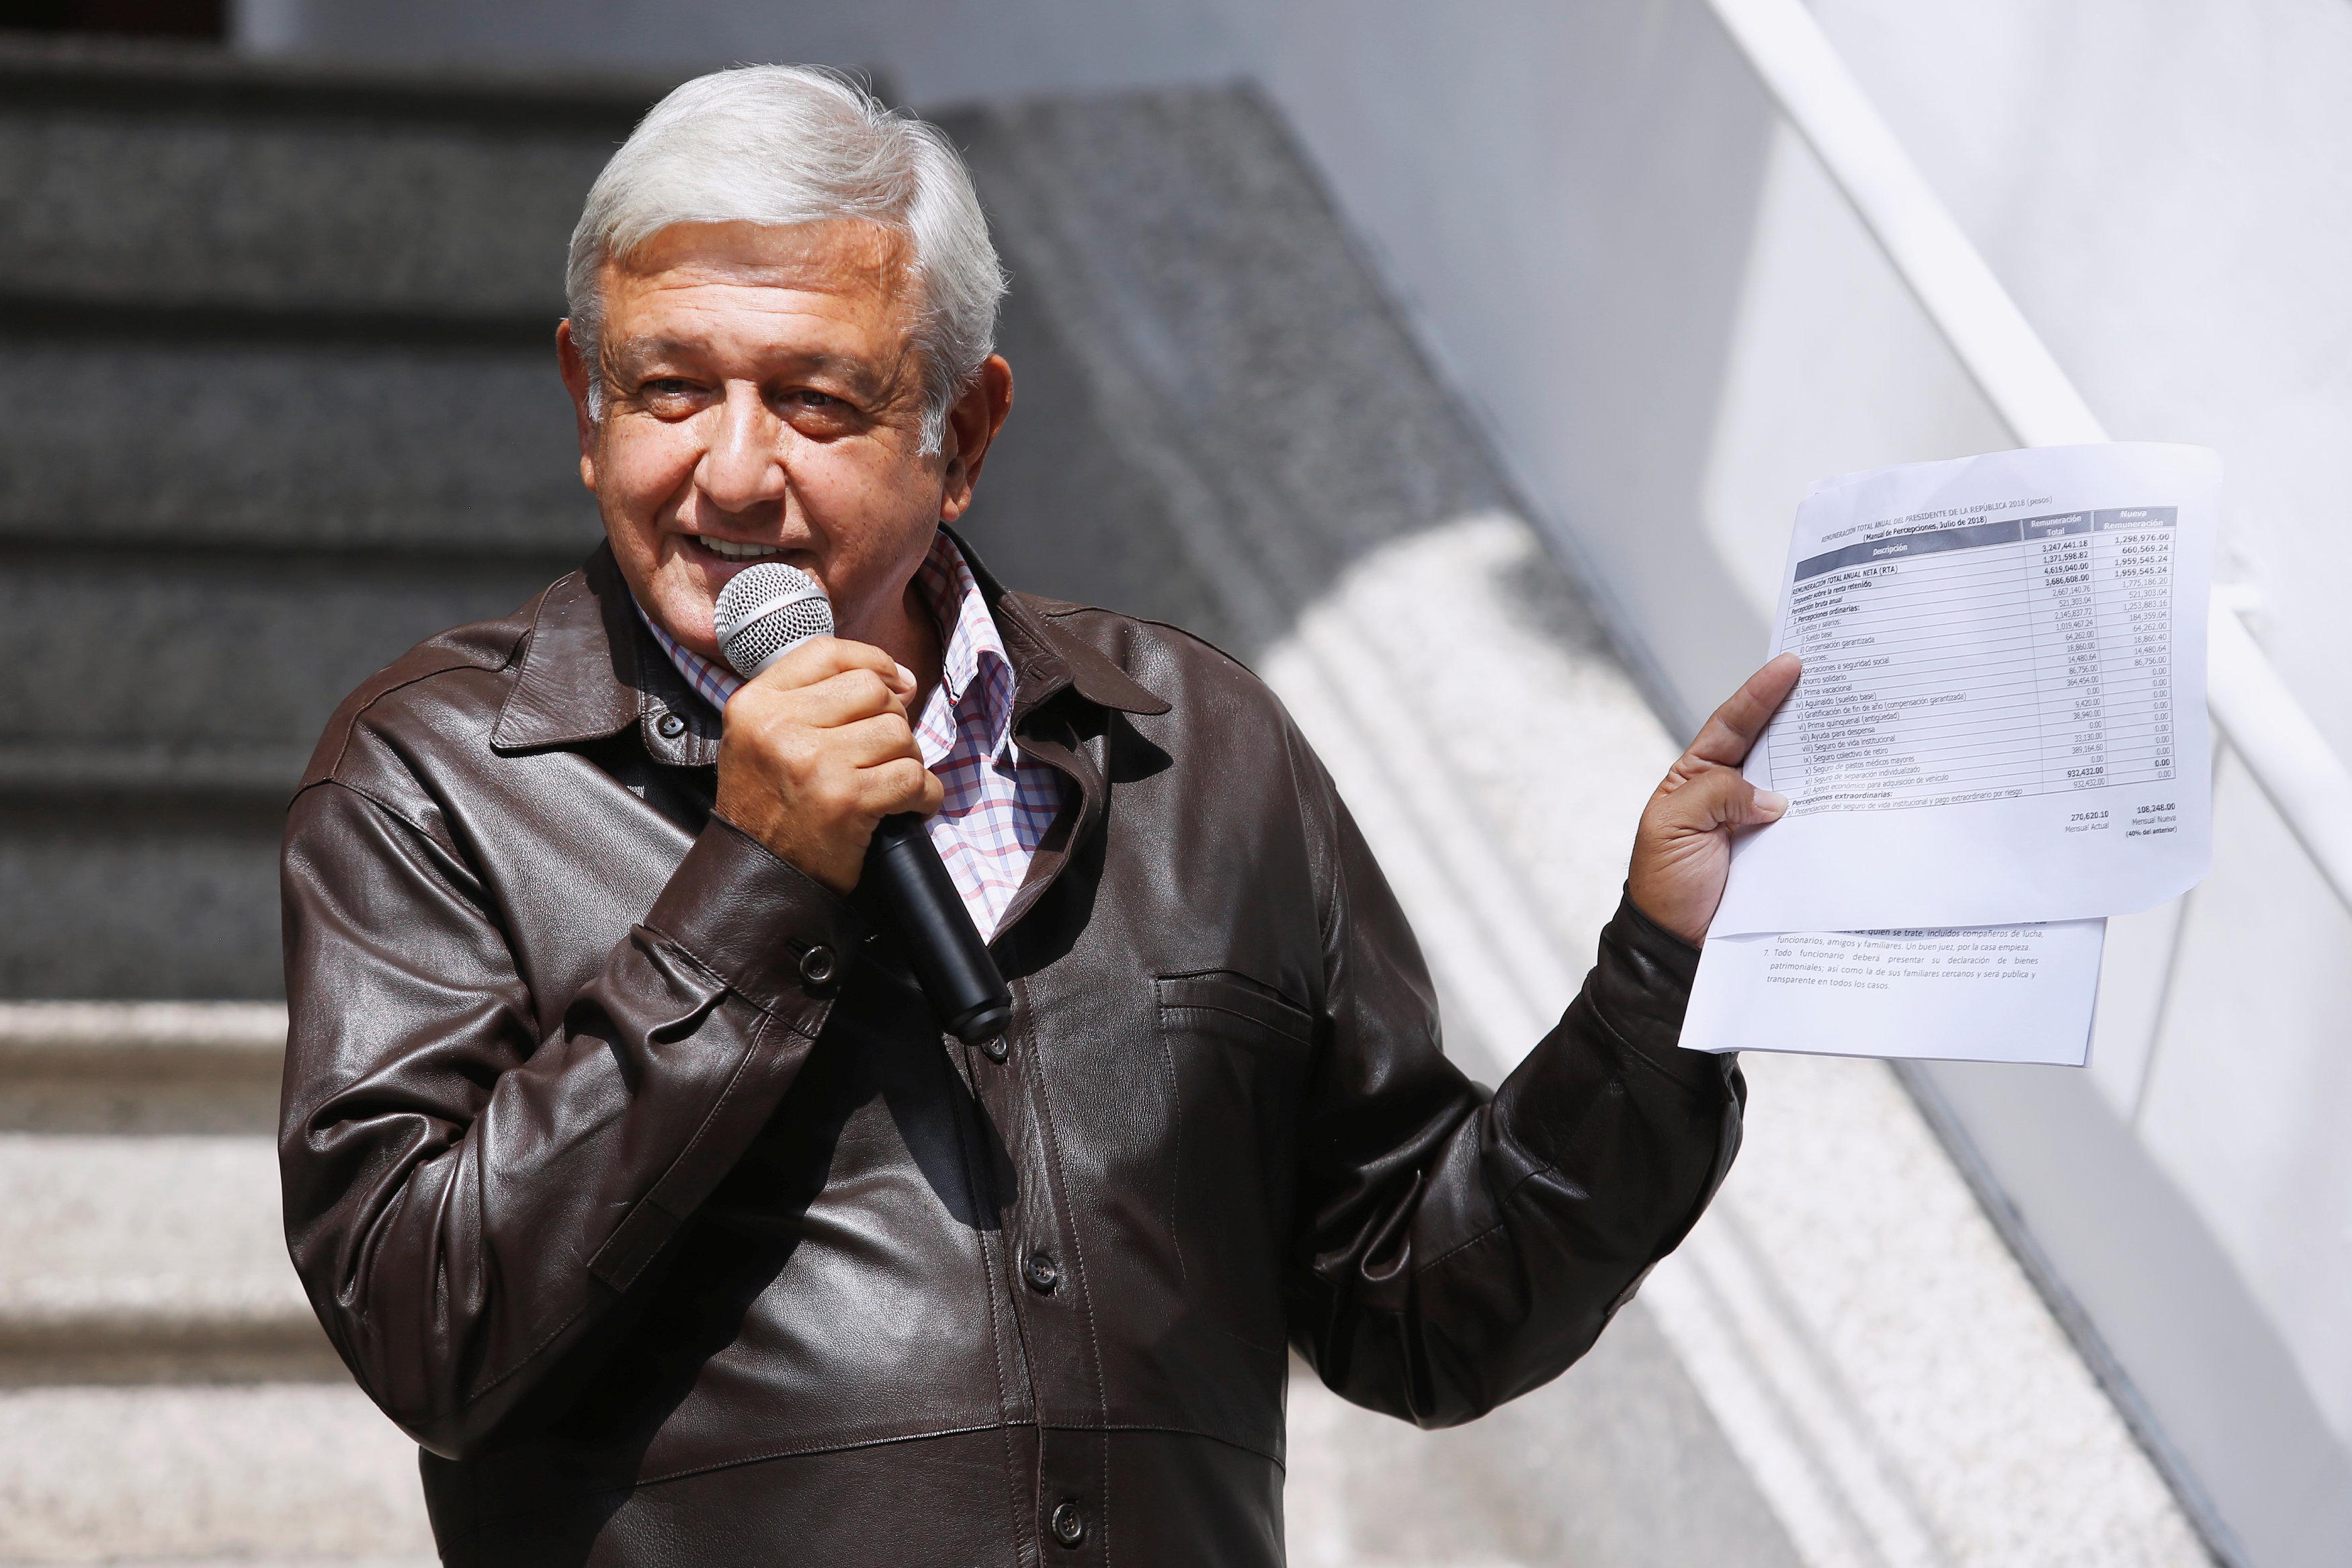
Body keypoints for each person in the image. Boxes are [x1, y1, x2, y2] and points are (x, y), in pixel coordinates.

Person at [278, 64, 1800, 1567]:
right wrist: (754, 881)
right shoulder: (445, 775)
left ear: (968, 435)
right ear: (585, 402)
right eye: (669, 388)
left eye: (813, 400)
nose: (729, 471)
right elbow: (431, 1330)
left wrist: (1657, 983)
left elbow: (1419, 1310)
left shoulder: (1196, 748)